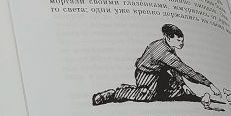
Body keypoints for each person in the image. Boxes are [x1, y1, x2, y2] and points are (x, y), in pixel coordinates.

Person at [92, 24, 220, 104]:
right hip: (146, 74)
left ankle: (140, 88)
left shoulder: (168, 46)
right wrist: (209, 84)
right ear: (169, 38)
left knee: (176, 93)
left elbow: (174, 67)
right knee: (147, 96)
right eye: (178, 40)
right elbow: (184, 69)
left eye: (182, 40)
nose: (182, 43)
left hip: (159, 73)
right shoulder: (163, 52)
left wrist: (182, 84)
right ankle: (115, 93)